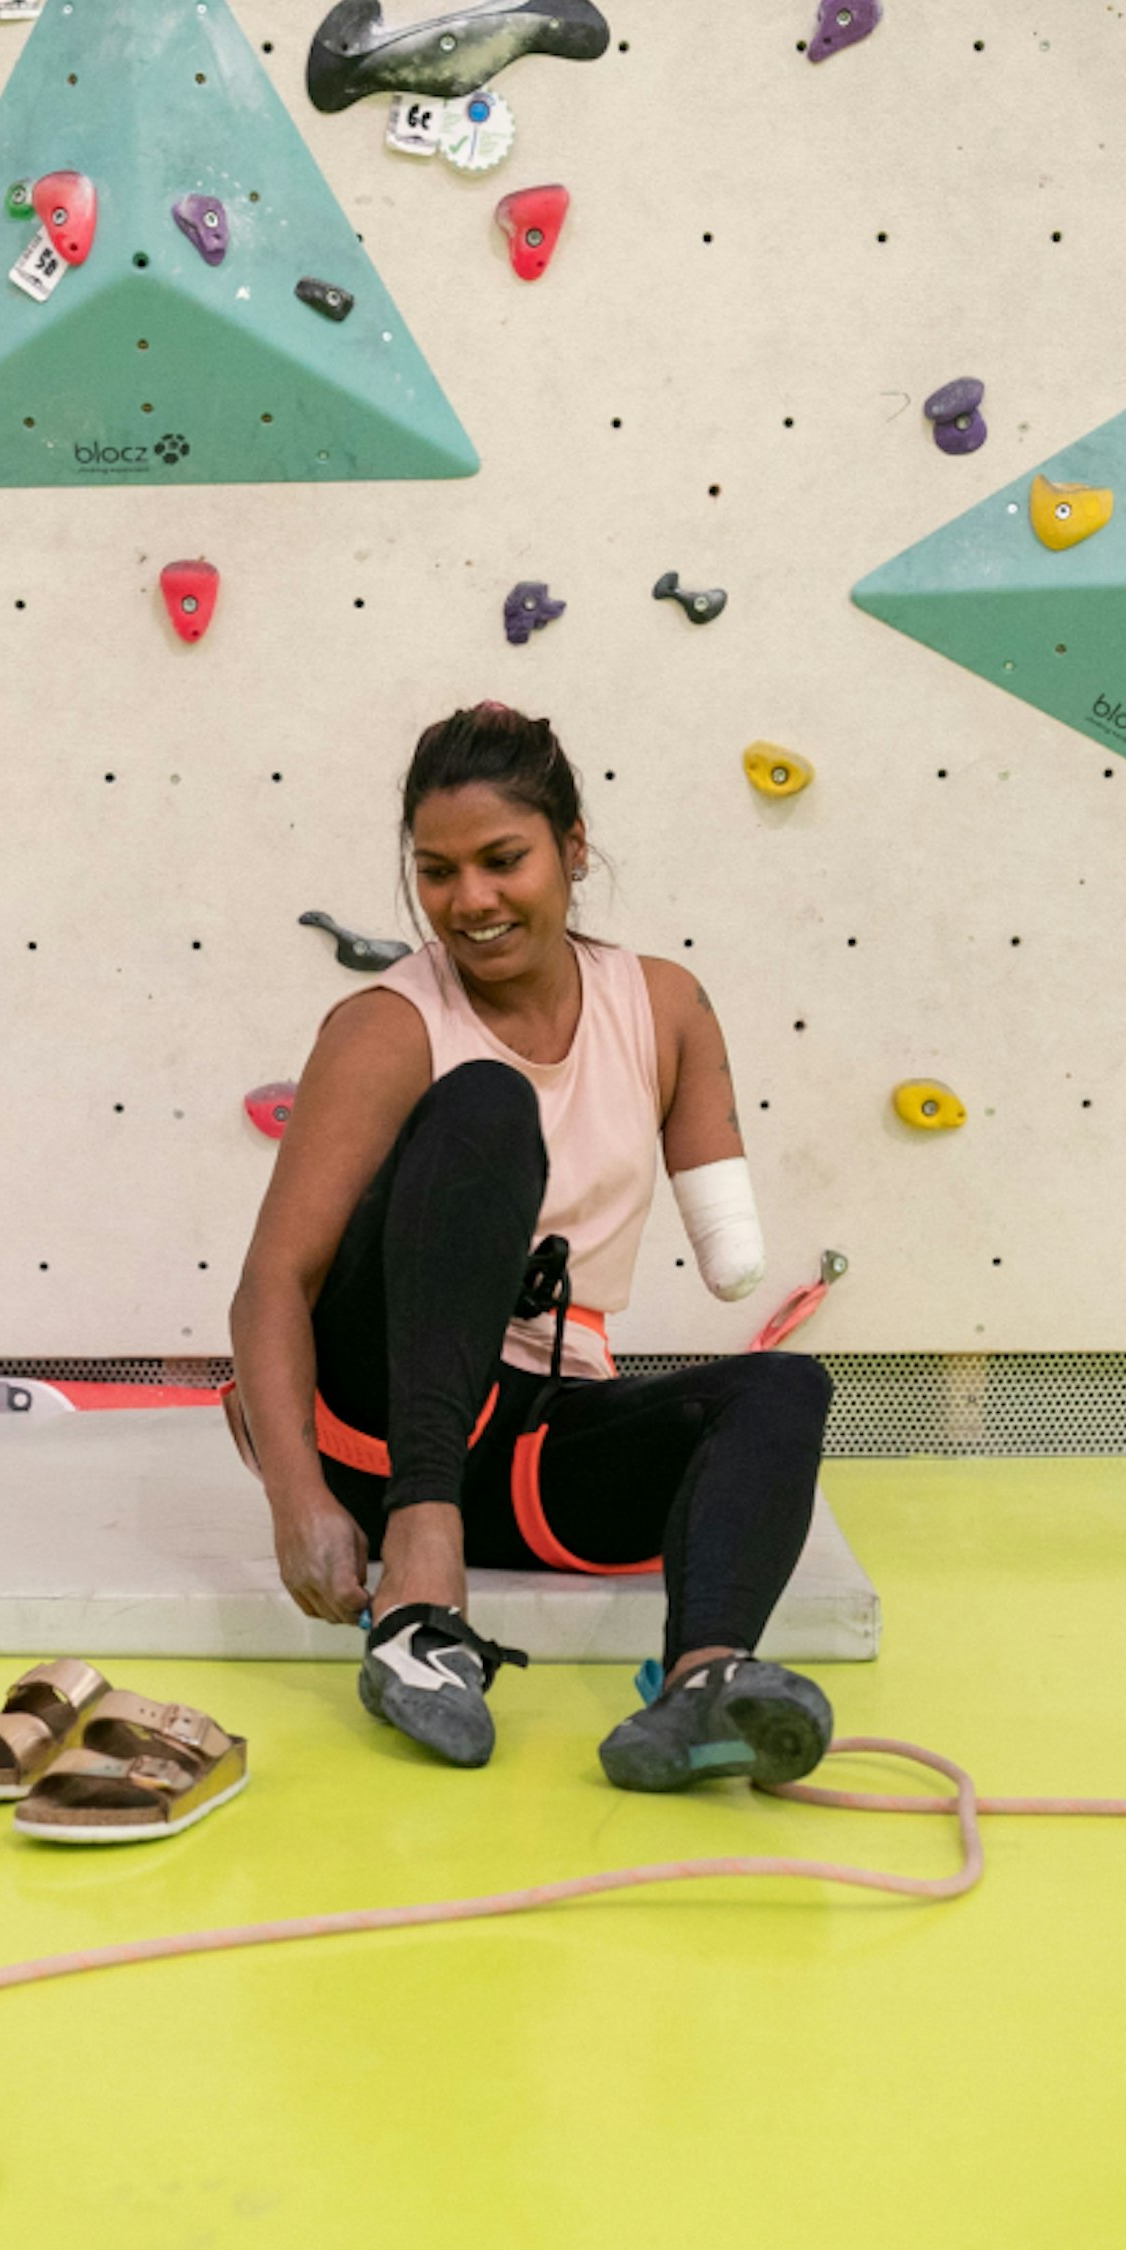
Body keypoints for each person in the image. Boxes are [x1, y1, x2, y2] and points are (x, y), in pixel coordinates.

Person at [227, 702, 837, 1788]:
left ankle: (703, 1683)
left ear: (573, 849)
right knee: (487, 1104)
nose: (470, 901)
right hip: (379, 1435)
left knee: (784, 1389)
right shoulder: (386, 1026)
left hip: (527, 1451)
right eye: (437, 871)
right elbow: (272, 1282)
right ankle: (420, 1602)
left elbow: (724, 1235)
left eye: (502, 860)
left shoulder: (662, 1001)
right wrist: (297, 1499)